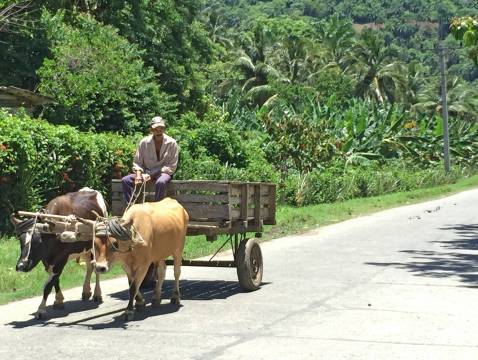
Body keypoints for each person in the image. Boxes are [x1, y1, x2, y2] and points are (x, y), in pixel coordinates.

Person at [122, 116, 179, 204]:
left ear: (164, 129)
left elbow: (172, 166)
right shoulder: (144, 142)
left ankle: (157, 209)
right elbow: (137, 162)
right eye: (156, 129)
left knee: (161, 182)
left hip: (163, 173)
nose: (159, 131)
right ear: (151, 130)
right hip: (146, 172)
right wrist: (138, 175)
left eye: (161, 128)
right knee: (126, 180)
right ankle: (131, 206)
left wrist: (151, 176)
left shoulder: (172, 143)